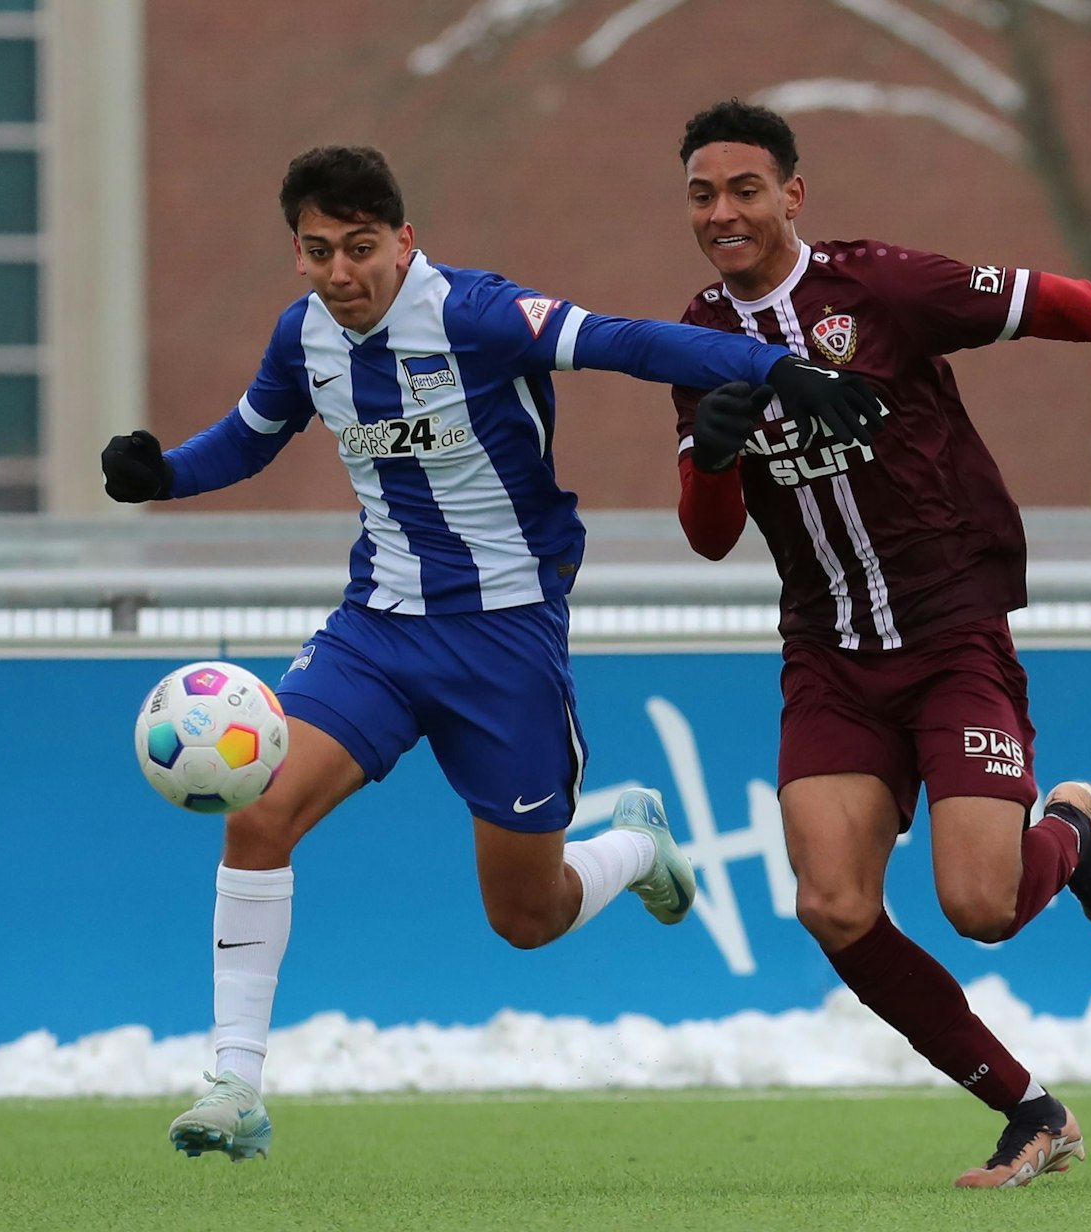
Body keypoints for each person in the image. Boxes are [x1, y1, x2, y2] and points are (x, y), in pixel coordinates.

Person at [100, 145, 886, 1161]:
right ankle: (233, 1087)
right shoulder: (304, 338)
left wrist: (772, 365)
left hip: (504, 639)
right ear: (297, 253)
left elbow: (630, 345)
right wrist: (160, 472)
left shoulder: (475, 315)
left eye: (360, 248)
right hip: (375, 630)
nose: (340, 274)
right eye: (317, 251)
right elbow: (252, 436)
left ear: (403, 240)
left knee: (527, 916)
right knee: (259, 814)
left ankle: (636, 845)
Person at [668, 101, 1091, 1189]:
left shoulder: (876, 290)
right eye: (700, 194)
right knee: (829, 903)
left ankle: (1068, 826)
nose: (722, 212)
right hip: (827, 654)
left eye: (743, 189)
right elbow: (710, 535)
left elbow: (1069, 302)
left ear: (792, 194)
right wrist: (715, 458)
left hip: (948, 632)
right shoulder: (691, 342)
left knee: (981, 908)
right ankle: (1030, 1112)